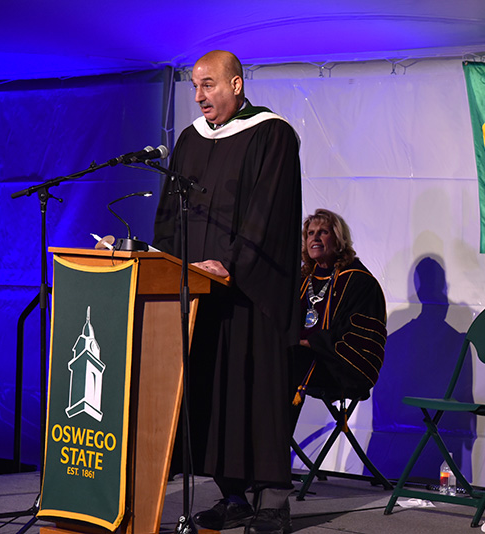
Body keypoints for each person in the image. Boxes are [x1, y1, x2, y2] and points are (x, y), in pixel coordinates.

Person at [152, 50, 302, 534]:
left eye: (209, 85)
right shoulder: (192, 140)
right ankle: (232, 494)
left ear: (237, 85)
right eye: (195, 86)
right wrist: (161, 264)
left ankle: (273, 501)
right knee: (212, 394)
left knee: (255, 394)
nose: (199, 96)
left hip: (250, 293)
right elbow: (171, 215)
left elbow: (271, 212)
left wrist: (232, 262)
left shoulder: (271, 133)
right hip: (200, 291)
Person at [290, 209, 387, 429]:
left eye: (323, 232)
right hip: (302, 360)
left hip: (342, 368)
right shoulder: (303, 280)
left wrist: (310, 342)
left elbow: (359, 338)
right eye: (310, 233)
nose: (314, 237)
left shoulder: (360, 283)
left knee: (286, 364)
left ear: (338, 239)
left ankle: (275, 449)